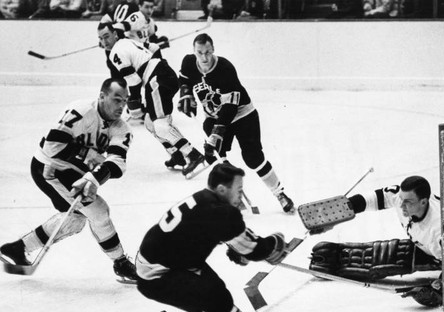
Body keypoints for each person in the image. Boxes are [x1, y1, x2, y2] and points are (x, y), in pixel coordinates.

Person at [135, 163, 297, 312]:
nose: (241, 196)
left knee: (217, 291)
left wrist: (232, 244)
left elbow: (202, 230)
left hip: (164, 260)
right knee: (215, 297)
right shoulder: (222, 213)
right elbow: (255, 250)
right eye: (238, 190)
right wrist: (276, 242)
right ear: (222, 189)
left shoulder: (203, 198)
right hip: (157, 276)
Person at [0, 78, 138, 283]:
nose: (121, 107)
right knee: (98, 210)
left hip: (75, 173)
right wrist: (86, 154)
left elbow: (118, 164)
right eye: (117, 100)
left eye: (125, 101)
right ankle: (120, 263)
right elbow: (52, 146)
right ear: (102, 96)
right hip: (49, 168)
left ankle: (18, 248)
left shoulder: (122, 129)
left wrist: (93, 177)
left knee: (75, 220)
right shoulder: (80, 111)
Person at [309, 175, 444, 306]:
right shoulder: (401, 197)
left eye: (408, 202)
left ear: (424, 202)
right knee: (388, 254)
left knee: (398, 257)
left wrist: (435, 291)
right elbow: (372, 199)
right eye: (401, 199)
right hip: (425, 240)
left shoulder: (439, 231)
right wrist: (338, 215)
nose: (401, 205)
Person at [177, 34, 295, 213]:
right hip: (214, 116)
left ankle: (279, 194)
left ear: (213, 49)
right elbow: (184, 79)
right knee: (215, 155)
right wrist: (186, 94)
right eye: (199, 53)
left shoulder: (225, 68)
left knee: (253, 157)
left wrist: (216, 134)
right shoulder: (188, 62)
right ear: (194, 52)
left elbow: (230, 107)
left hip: (241, 114)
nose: (204, 58)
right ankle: (231, 197)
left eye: (208, 52)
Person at [98, 23, 205, 176]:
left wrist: (134, 103)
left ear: (115, 34)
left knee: (160, 125)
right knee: (150, 122)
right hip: (160, 75)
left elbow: (133, 81)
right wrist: (157, 66)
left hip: (156, 79)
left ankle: (194, 155)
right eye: (101, 39)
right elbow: (154, 47)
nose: (104, 42)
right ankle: (177, 155)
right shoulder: (128, 41)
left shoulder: (115, 52)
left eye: (106, 36)